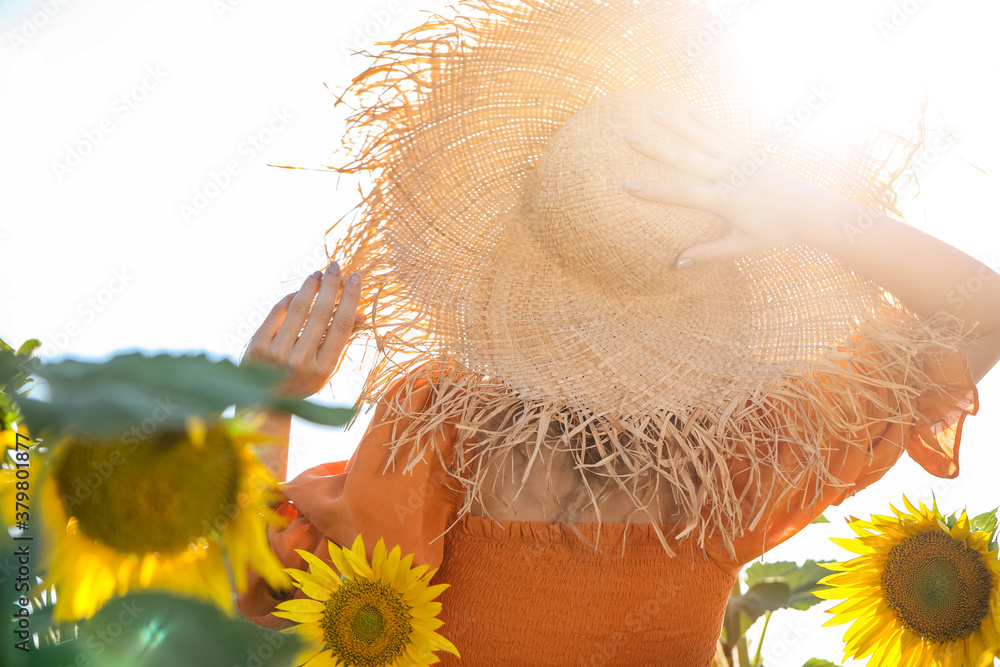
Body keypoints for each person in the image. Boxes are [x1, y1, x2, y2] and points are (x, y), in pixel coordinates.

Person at [236, 1, 997, 664]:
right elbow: (980, 310)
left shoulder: (450, 426)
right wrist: (802, 209)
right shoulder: (745, 455)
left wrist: (264, 400)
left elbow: (267, 586)